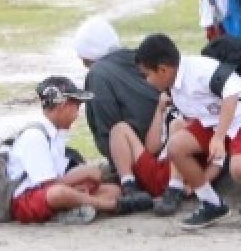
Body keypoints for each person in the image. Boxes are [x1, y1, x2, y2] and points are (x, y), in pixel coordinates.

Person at [135, 33, 241, 231]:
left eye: (147, 75)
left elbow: (232, 93)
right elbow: (199, 114)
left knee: (240, 168)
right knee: (176, 147)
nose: (147, 81)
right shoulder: (174, 88)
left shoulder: (199, 70)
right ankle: (212, 204)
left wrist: (218, 138)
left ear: (163, 70)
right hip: (215, 122)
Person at [74, 17, 184, 215]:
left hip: (148, 163)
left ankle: (129, 184)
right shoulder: (143, 59)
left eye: (85, 61)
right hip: (176, 160)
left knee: (118, 131)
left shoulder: (98, 74)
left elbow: (106, 131)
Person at [7, 76, 122, 224]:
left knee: (113, 190)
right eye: (77, 106)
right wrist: (83, 174)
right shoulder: (35, 136)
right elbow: (48, 185)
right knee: (60, 193)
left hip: (53, 189)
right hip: (27, 199)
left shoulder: (55, 134)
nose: (76, 114)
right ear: (63, 105)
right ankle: (110, 206)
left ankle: (74, 209)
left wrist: (81, 181)